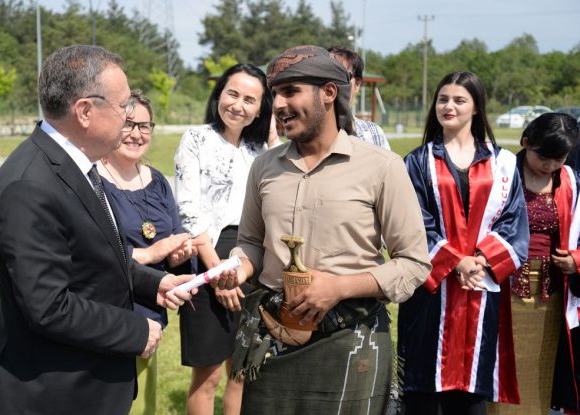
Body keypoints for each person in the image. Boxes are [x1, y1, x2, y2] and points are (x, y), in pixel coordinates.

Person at [0, 45, 196, 415]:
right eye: (123, 106)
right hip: (51, 395)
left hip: (88, 387)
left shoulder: (79, 166)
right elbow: (49, 306)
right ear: (85, 111)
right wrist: (135, 331)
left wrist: (150, 283)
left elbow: (93, 256)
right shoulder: (30, 185)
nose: (129, 117)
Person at [214, 45, 431, 414]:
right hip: (273, 341)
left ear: (329, 93)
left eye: (291, 91)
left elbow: (413, 263)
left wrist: (339, 287)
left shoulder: (382, 167)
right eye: (275, 93)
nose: (278, 104)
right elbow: (251, 243)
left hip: (350, 340)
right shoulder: (264, 167)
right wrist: (238, 266)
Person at [399, 71, 529, 414]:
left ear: (476, 107)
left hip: (480, 291)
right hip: (429, 293)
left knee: (471, 394)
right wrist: (456, 262)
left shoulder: (503, 163)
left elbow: (514, 221)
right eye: (443, 99)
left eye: (459, 100)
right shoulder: (417, 161)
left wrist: (481, 260)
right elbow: (412, 222)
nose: (449, 106)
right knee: (424, 391)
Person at [174, 63, 278, 415]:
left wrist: (273, 136)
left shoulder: (261, 151)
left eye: (251, 99)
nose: (238, 105)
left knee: (242, 371)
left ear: (261, 108)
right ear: (219, 94)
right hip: (207, 260)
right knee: (209, 376)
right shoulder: (196, 139)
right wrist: (216, 273)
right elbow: (189, 212)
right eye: (232, 94)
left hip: (250, 262)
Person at [97, 90, 201, 415]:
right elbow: (96, 255)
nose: (137, 134)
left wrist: (180, 253)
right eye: (128, 124)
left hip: (152, 313)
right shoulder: (93, 183)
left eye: (145, 125)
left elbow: (171, 244)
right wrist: (153, 252)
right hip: (112, 314)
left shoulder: (156, 181)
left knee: (144, 405)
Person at [490, 112, 579, 415]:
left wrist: (576, 261)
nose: (551, 166)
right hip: (502, 289)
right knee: (502, 367)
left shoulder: (570, 182)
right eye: (544, 157)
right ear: (527, 142)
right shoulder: (500, 174)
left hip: (552, 295)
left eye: (560, 158)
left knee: (542, 371)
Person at [328, 46, 391, 150]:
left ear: (357, 84)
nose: (332, 85)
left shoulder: (374, 134)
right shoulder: (305, 135)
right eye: (326, 76)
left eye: (342, 76)